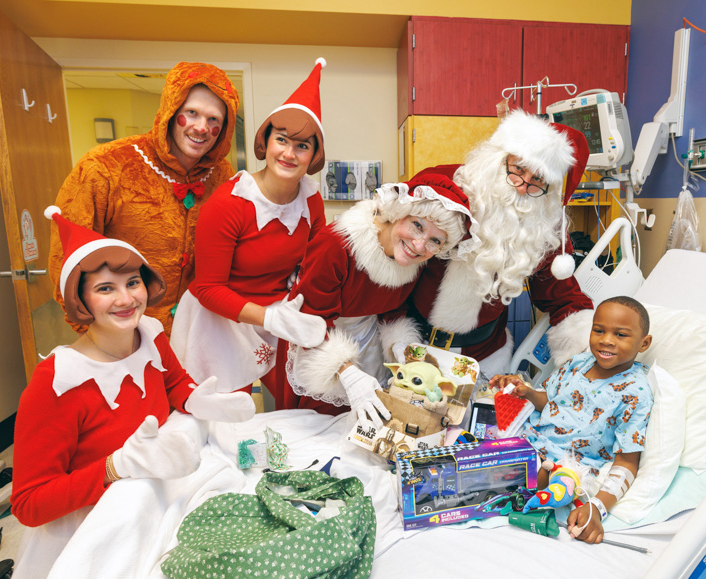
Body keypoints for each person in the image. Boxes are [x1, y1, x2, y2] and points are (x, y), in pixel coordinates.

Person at [8, 207, 254, 579]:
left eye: (133, 282)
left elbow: (173, 382)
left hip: (159, 495)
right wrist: (114, 467)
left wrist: (200, 401)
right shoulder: (58, 382)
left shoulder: (151, 335)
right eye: (105, 288)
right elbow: (28, 504)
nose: (126, 300)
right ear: (81, 300)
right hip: (99, 524)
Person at [171, 59, 329, 400]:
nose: (289, 153)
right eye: (282, 140)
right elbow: (209, 289)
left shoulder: (312, 201)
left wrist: (295, 305)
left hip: (278, 313)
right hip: (220, 318)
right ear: (265, 142)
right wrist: (270, 319)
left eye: (302, 146)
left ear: (314, 156)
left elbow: (314, 264)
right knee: (226, 417)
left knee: (300, 403)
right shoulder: (230, 202)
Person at [48, 62, 240, 336]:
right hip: (124, 332)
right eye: (192, 113)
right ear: (172, 112)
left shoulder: (222, 174)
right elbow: (66, 258)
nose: (201, 128)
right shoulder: (105, 166)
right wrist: (92, 331)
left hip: (200, 333)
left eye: (213, 120)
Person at [403, 110, 595, 378]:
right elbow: (389, 240)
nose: (521, 186)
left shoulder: (541, 227)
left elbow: (561, 296)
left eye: (538, 180)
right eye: (518, 168)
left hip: (483, 358)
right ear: (499, 157)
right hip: (408, 344)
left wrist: (590, 349)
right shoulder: (443, 184)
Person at [282, 170, 479, 429]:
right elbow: (309, 321)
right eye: (417, 225)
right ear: (397, 214)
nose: (419, 246)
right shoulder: (336, 246)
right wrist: (347, 373)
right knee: (320, 430)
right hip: (320, 342)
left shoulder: (412, 259)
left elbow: (394, 306)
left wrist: (399, 344)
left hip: (370, 345)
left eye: (435, 241)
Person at [490, 296, 654, 544]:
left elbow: (627, 461)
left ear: (644, 343)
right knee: (478, 441)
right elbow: (552, 401)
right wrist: (528, 393)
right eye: (599, 330)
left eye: (620, 335)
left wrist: (597, 507)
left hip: (568, 462)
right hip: (529, 437)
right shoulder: (578, 363)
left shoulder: (635, 393)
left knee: (535, 478)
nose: (606, 340)